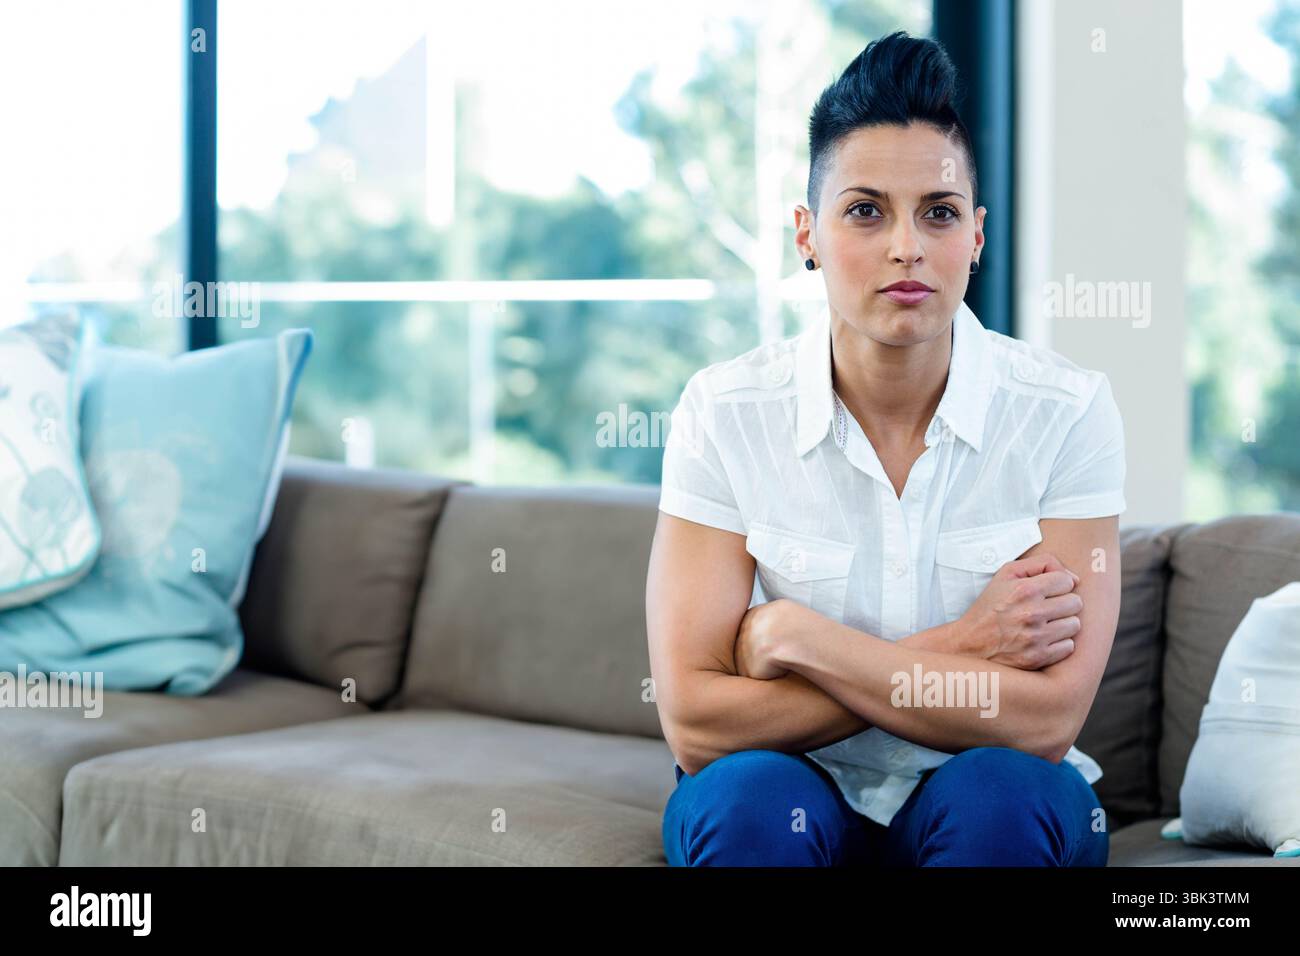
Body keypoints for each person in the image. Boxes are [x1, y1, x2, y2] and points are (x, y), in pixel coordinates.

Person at [646, 31, 1125, 867]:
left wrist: (797, 638)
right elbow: (695, 722)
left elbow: (1049, 720)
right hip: (798, 788)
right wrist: (963, 648)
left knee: (1004, 802)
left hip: (985, 788)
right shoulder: (722, 413)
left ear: (974, 237)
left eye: (937, 212)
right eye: (866, 210)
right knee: (744, 804)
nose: (906, 245)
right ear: (808, 234)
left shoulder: (1068, 411)